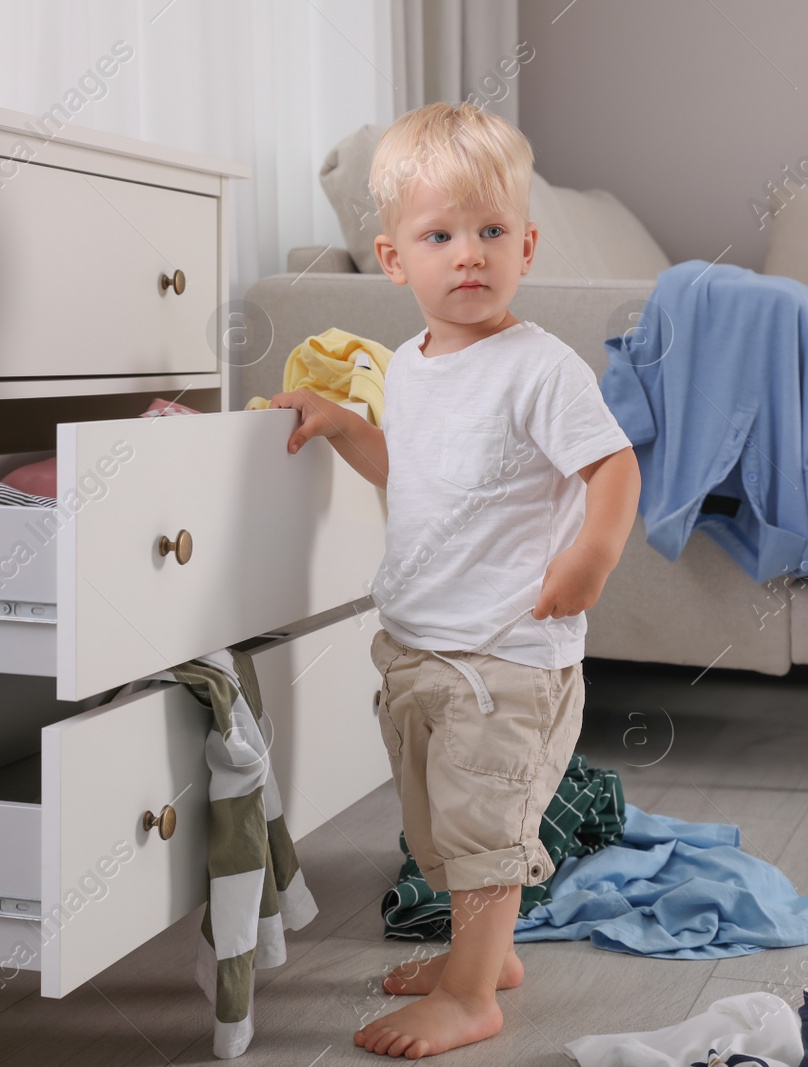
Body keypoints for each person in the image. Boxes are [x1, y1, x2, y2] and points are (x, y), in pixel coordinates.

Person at [270, 101, 640, 1059]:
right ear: (396, 260)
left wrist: (590, 554)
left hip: (506, 653)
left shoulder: (540, 367)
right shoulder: (412, 366)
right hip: (424, 642)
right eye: (440, 235)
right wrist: (344, 423)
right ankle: (489, 954)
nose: (467, 254)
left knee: (483, 825)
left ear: (526, 244)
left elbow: (614, 467)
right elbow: (413, 471)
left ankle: (472, 994)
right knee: (437, 821)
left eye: (489, 233)